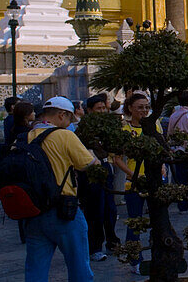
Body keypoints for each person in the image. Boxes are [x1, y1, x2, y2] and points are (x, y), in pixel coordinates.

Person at [24, 96, 99, 282]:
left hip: (34, 210)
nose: (69, 124)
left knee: (35, 269)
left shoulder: (27, 136)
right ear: (61, 114)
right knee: (79, 265)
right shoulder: (64, 135)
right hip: (64, 210)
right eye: (69, 119)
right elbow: (88, 164)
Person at [77, 94, 119, 261]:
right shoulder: (84, 129)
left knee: (110, 208)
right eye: (98, 109)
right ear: (89, 110)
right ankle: (95, 247)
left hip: (106, 166)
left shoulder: (108, 126)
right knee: (95, 210)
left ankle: (112, 241)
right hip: (91, 170)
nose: (102, 111)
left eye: (103, 108)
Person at [113, 93, 150, 261]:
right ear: (130, 108)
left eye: (146, 107)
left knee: (158, 221)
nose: (144, 110)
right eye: (140, 107)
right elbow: (117, 159)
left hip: (153, 180)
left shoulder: (153, 125)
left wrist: (162, 166)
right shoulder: (124, 129)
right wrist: (133, 175)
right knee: (135, 221)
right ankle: (135, 259)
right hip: (133, 183)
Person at [165, 90, 188, 213]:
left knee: (181, 180)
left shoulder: (174, 115)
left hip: (178, 150)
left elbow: (170, 133)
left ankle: (182, 206)